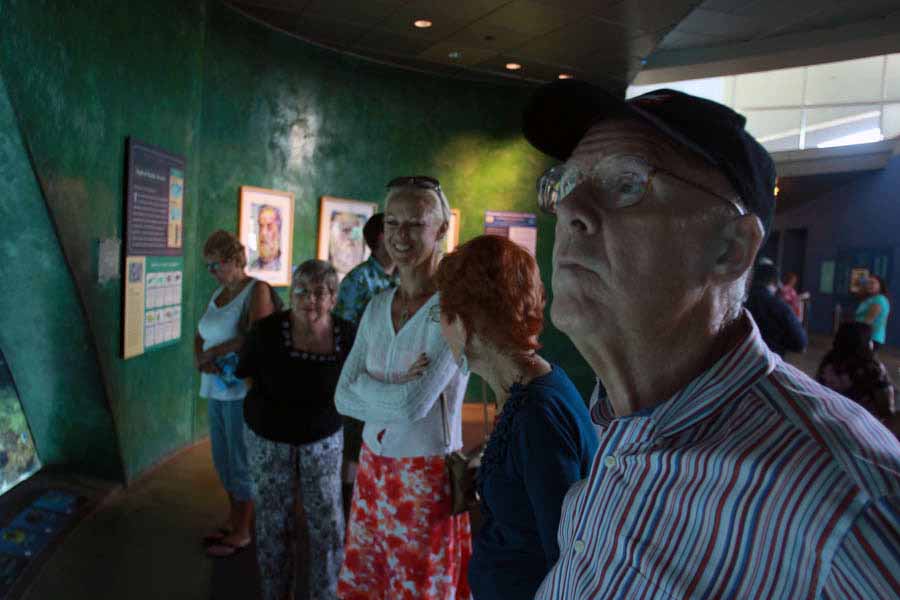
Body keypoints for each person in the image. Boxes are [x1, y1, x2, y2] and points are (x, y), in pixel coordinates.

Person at [520, 80, 900, 598]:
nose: (570, 209)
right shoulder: (618, 419)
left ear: (730, 249)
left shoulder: (849, 506)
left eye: (626, 181)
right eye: (565, 184)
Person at [433, 235, 598, 600]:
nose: (440, 328)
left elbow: (564, 553)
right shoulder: (527, 389)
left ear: (466, 324)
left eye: (440, 314)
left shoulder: (537, 414)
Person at [334, 176, 471, 600]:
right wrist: (395, 391)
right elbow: (341, 396)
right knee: (370, 582)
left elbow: (413, 406)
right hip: (371, 467)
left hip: (425, 475)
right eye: (392, 223)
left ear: (442, 229)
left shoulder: (454, 308)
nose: (400, 235)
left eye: (415, 223)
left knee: (416, 586)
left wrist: (370, 388)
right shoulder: (377, 307)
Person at [236, 260, 352, 600]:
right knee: (274, 523)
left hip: (323, 440)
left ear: (333, 298)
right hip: (269, 440)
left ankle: (326, 593)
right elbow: (246, 374)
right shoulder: (266, 331)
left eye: (319, 292)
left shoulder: (347, 333)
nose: (309, 300)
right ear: (291, 293)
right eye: (301, 291)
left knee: (327, 523)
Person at [195, 230, 276, 557]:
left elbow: (258, 336)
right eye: (208, 266)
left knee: (241, 460)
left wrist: (215, 353)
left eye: (215, 265)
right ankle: (233, 518)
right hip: (215, 388)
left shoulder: (256, 291)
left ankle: (243, 530)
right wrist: (199, 356)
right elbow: (201, 332)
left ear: (233, 260)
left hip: (241, 391)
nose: (212, 272)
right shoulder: (219, 293)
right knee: (223, 459)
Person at [334, 213, 398, 511]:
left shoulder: (404, 278)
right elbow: (342, 332)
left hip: (394, 377)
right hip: (363, 376)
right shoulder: (357, 280)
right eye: (395, 229)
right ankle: (348, 504)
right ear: (381, 238)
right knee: (354, 445)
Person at [817, 321, 896, 421]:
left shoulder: (829, 362)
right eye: (870, 339)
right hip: (864, 423)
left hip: (827, 417)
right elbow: (887, 409)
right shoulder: (873, 369)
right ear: (864, 344)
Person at [745, 261, 807, 357]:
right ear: (775, 283)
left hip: (739, 363)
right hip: (770, 361)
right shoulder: (780, 307)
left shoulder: (739, 304)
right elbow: (801, 343)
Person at [855, 274, 891, 350]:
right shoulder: (869, 298)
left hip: (869, 337)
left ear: (880, 285)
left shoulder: (879, 299)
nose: (869, 285)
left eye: (872, 283)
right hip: (864, 336)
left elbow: (868, 321)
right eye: (867, 283)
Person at [250, 205, 282, 271]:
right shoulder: (252, 267)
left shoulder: (287, 269)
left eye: (269, 226)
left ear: (279, 232)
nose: (263, 232)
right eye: (260, 226)